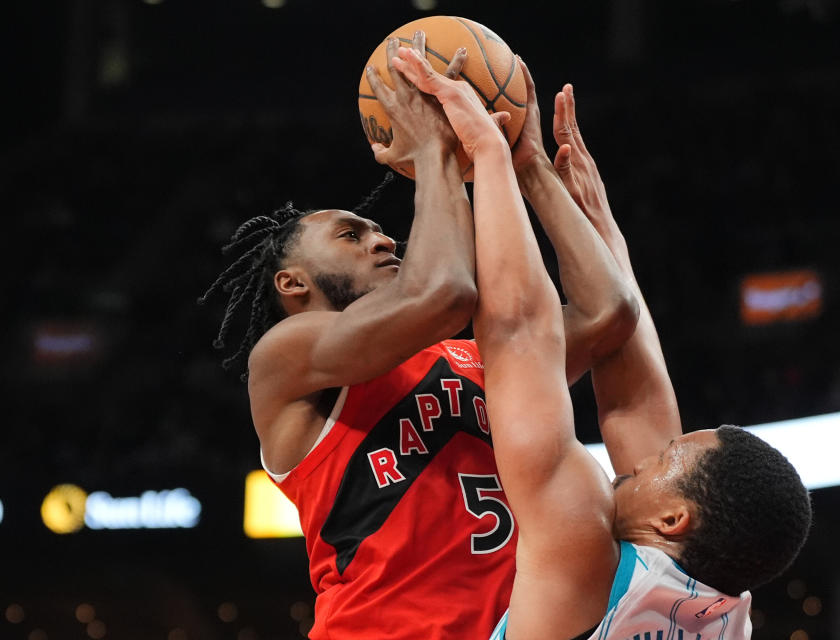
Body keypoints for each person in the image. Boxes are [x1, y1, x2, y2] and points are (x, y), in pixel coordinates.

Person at [199, 33, 636, 640]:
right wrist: (438, 148)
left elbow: (609, 313)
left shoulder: (468, 355)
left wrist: (527, 164)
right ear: (292, 282)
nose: (384, 240)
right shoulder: (289, 355)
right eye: (352, 235)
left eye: (381, 230)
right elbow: (444, 294)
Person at [392, 46, 812, 640]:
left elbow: (519, 334)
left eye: (668, 460)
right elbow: (635, 402)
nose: (646, 457)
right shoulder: (721, 615)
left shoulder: (583, 550)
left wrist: (490, 153)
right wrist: (568, 198)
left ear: (673, 517)